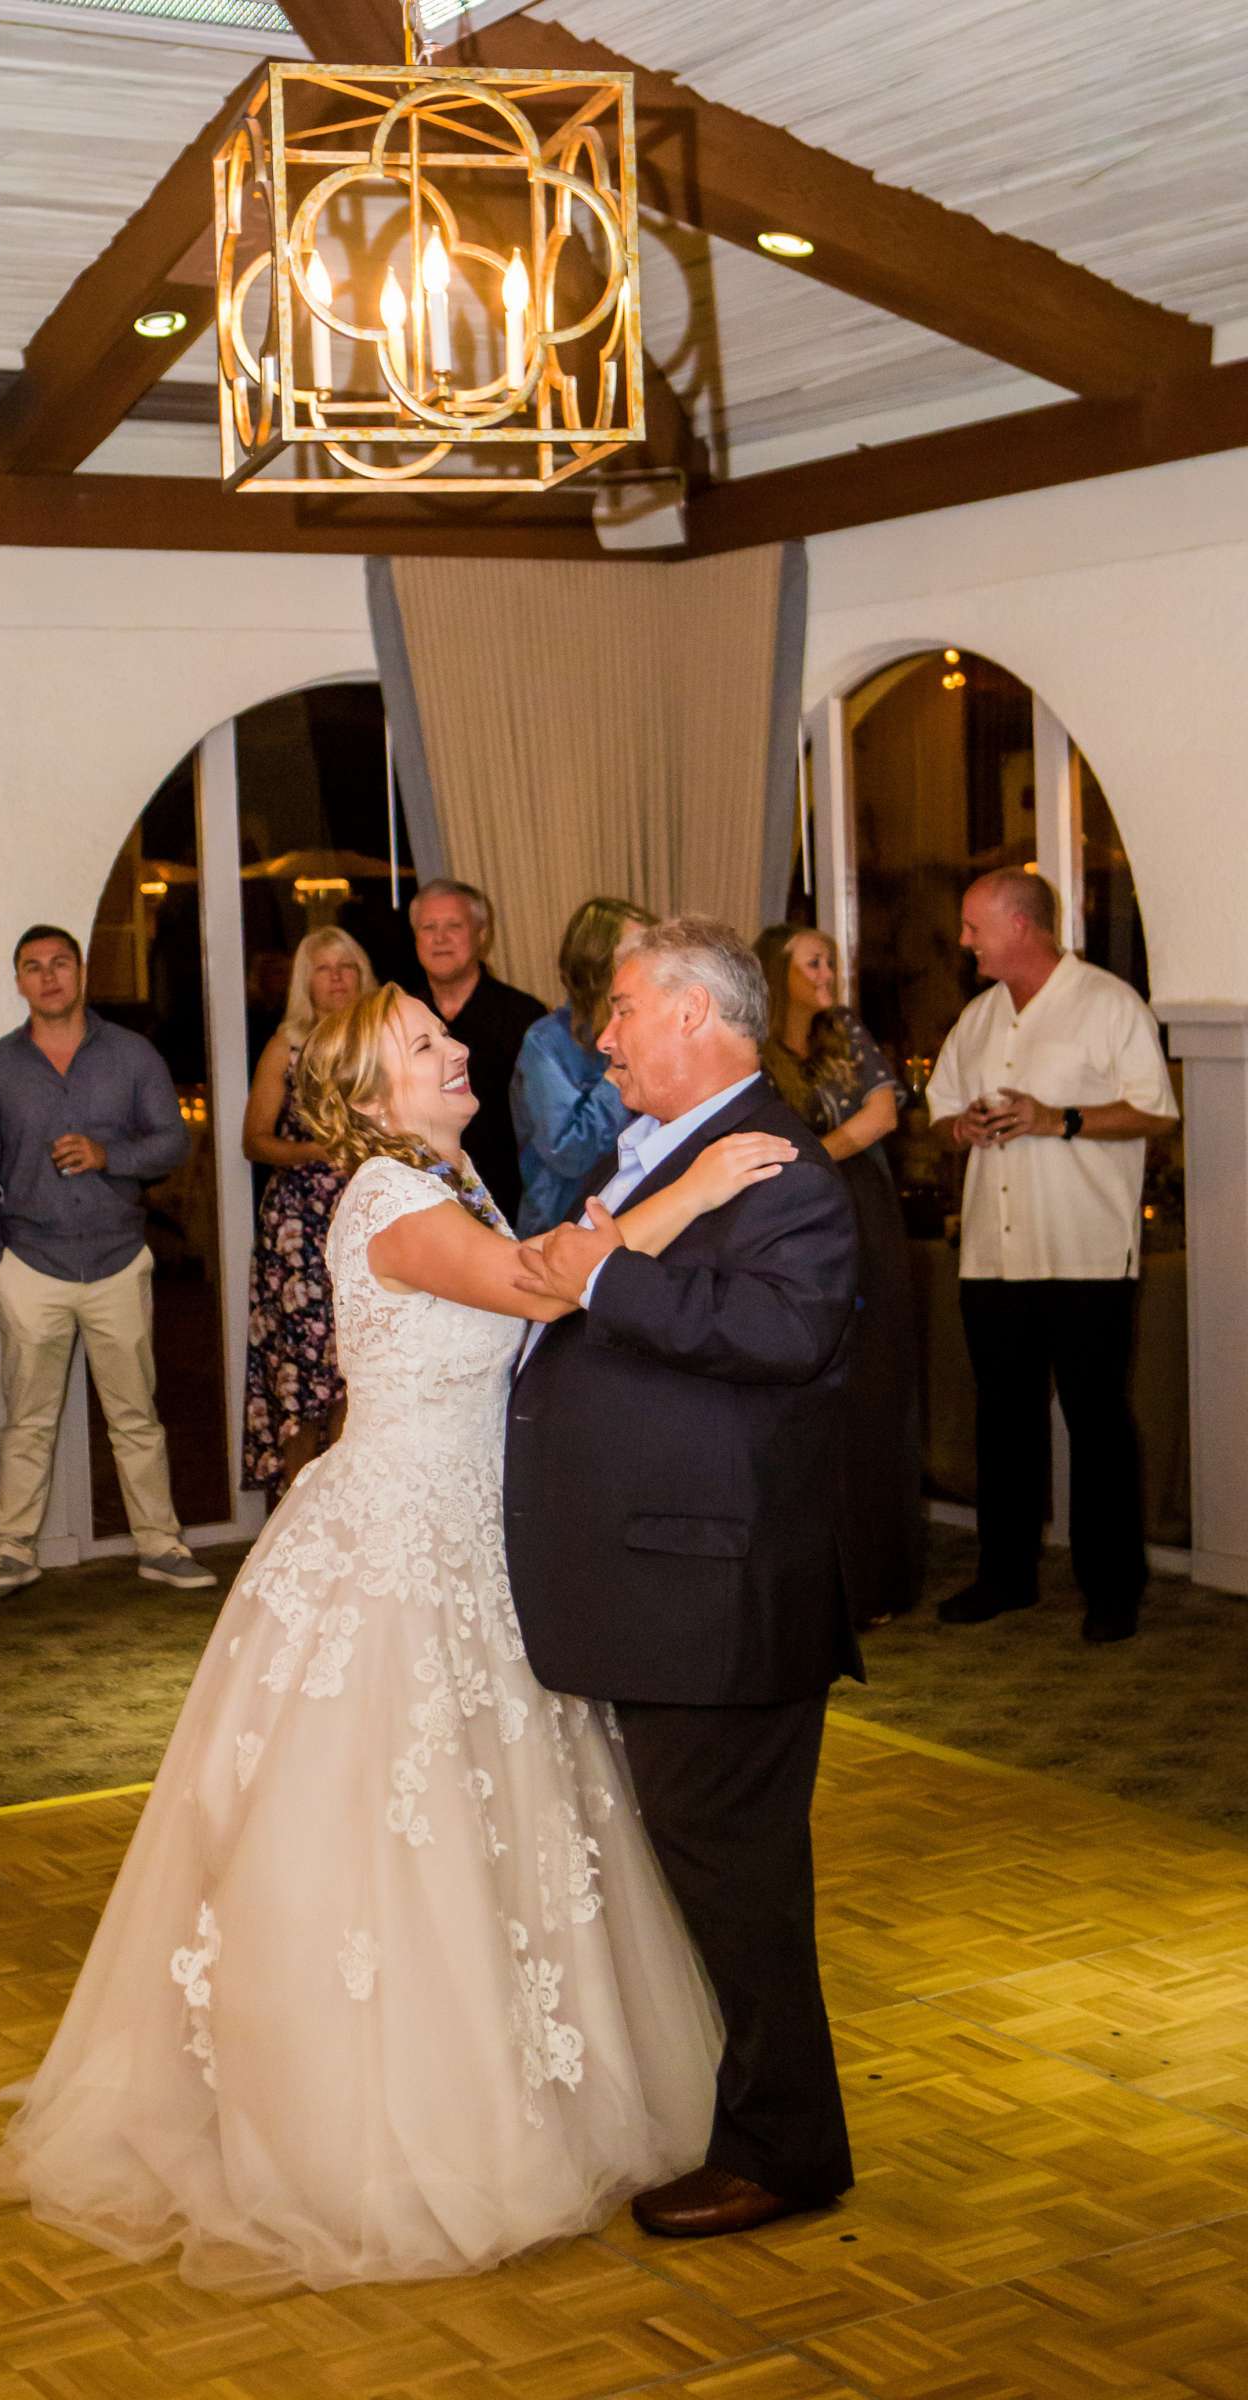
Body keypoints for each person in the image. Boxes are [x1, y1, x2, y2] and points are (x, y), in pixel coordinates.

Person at [0, 980, 800, 2291]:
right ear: (369, 1097)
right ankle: (382, 2124)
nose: (457, 1049)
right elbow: (542, 1288)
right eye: (428, 1046)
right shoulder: (385, 1198)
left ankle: (536, 2086)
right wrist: (696, 1192)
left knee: (502, 1825)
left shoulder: (452, 1176)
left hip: (472, 1539)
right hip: (395, 1549)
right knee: (382, 1826)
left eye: (444, 1034)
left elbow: (544, 1258)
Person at [508, 917, 862, 2238]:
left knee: (738, 1884)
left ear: (699, 1018)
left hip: (720, 1595)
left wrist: (609, 1277)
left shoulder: (787, 1170)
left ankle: (784, 2152)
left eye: (620, 1010)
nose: (603, 1036)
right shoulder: (661, 1147)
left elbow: (786, 1335)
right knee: (700, 1874)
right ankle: (757, 2124)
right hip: (658, 1583)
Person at [924, 868, 1178, 1644]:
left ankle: (1113, 1588)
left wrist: (1054, 1119)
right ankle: (1007, 1576)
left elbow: (1155, 1113)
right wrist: (961, 1130)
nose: (964, 942)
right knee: (1003, 1420)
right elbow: (937, 1112)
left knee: (1097, 1421)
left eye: (974, 927)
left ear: (1020, 927)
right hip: (993, 1258)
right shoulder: (976, 1018)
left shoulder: (1108, 1004)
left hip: (1086, 1252)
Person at [0, 925, 216, 1600]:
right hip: (32, 1265)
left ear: (80, 972)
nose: (48, 977)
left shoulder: (132, 1055)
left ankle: (160, 1547)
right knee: (27, 1420)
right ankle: (11, 1553)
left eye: (60, 964)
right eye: (33, 967)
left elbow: (171, 1143)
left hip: (117, 1259)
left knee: (136, 1417)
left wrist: (109, 1156)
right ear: (19, 981)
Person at [756, 922, 924, 1628]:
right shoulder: (753, 1049)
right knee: (807, 1395)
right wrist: (842, 1142)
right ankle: (819, 1584)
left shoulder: (846, 1030)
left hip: (866, 1217)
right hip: (789, 1228)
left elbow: (885, 1114)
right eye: (813, 962)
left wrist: (816, 1155)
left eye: (830, 960)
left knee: (876, 1389)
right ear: (777, 973)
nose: (828, 973)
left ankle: (879, 1580)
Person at [241, 927, 372, 1498]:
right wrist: (317, 1152)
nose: (338, 976)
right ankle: (298, 1513)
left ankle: (352, 1505)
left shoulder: (384, 1040)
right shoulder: (286, 1046)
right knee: (299, 1373)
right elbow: (255, 1141)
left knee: (358, 1368)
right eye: (324, 968)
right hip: (299, 1229)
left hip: (370, 1213)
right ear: (306, 982)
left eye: (347, 965)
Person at [510, 896, 656, 1238]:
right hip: (562, 1230)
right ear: (597, 961)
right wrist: (615, 1079)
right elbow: (568, 1152)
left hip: (638, 1223)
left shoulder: (648, 1029)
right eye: (634, 952)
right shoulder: (547, 1041)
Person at [409, 877, 543, 1222]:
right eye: (429, 927)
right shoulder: (401, 1020)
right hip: (421, 1200)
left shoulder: (526, 1018)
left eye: (454, 926)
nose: (440, 939)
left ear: (482, 935)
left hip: (510, 1203)